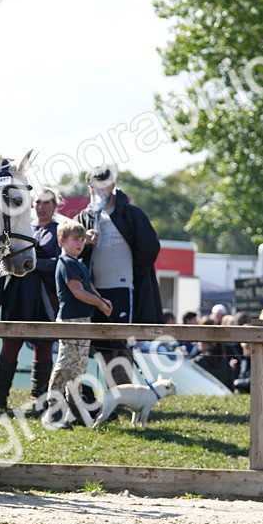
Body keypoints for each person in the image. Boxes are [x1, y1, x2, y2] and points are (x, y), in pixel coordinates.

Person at [75, 163, 163, 386]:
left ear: (113, 186)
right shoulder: (83, 218)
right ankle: (112, 396)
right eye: (95, 187)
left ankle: (125, 394)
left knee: (121, 341)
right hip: (92, 291)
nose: (100, 192)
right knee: (100, 343)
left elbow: (150, 247)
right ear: (89, 189)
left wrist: (134, 273)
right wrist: (85, 243)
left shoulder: (131, 214)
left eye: (104, 187)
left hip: (122, 287)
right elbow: (70, 252)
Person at [0, 188, 62, 410]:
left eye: (47, 202)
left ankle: (39, 399)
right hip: (18, 293)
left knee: (44, 345)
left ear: (55, 206)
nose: (42, 206)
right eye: (38, 202)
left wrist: (34, 264)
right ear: (32, 204)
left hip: (45, 296)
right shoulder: (22, 226)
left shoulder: (58, 230)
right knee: (10, 343)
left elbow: (60, 261)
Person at [41, 220, 112, 428]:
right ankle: (53, 410)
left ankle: (74, 410)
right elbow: (78, 291)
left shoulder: (78, 263)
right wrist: (100, 303)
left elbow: (88, 286)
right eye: (75, 240)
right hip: (71, 321)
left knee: (79, 368)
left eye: (82, 240)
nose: (80, 243)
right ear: (62, 241)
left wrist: (102, 301)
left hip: (83, 321)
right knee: (66, 365)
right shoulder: (65, 263)